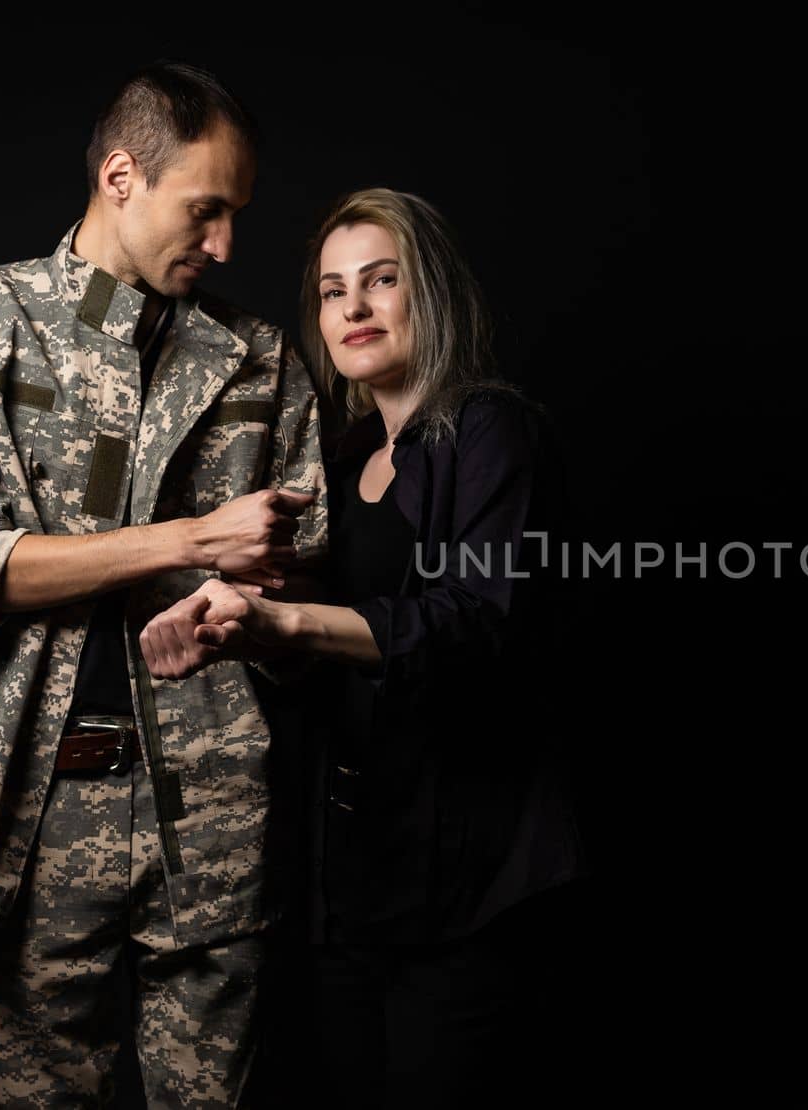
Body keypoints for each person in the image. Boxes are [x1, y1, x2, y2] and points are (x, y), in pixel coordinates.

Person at [0, 62, 327, 1106]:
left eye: (236, 215)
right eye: (205, 209)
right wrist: (193, 539)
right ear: (122, 176)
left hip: (214, 823)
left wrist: (254, 602)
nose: (225, 243)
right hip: (29, 825)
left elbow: (302, 584)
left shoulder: (263, 364)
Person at [141, 187, 590, 1105]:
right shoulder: (345, 460)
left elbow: (473, 619)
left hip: (472, 881)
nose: (352, 308)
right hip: (355, 876)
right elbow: (332, 656)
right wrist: (244, 629)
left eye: (381, 281)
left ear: (431, 293)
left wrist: (291, 621)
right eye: (332, 289)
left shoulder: (492, 429)